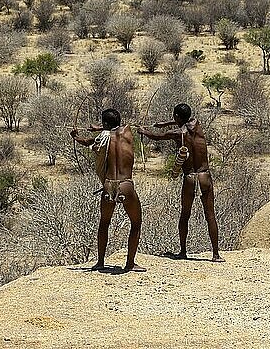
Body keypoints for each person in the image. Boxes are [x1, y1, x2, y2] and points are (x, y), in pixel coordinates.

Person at [138, 103, 224, 262]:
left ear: (177, 117)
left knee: (185, 214)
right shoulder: (197, 124)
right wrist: (165, 123)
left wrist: (144, 132)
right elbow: (186, 121)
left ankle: (183, 251)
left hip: (190, 178)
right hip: (205, 176)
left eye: (174, 116)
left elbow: (157, 137)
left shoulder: (178, 133)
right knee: (210, 215)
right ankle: (216, 254)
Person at [71, 108, 146, 272]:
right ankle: (130, 263)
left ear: (105, 124)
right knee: (136, 222)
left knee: (104, 223)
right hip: (125, 186)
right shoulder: (128, 132)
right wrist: (101, 127)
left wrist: (76, 137)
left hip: (109, 185)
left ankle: (100, 262)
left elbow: (88, 142)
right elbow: (115, 129)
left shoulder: (103, 138)